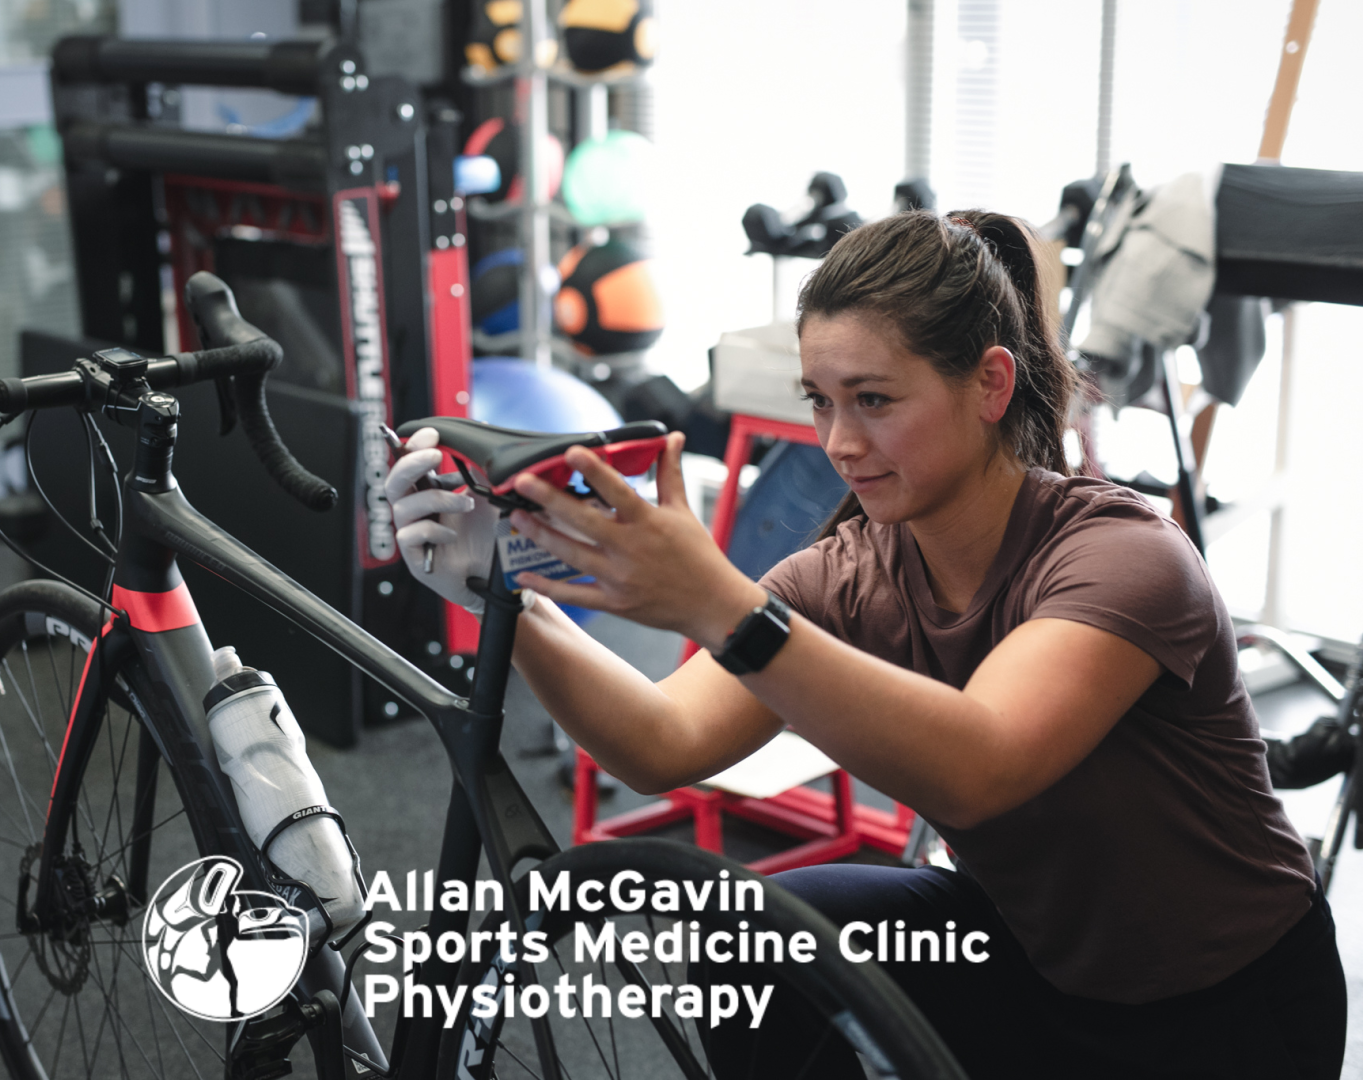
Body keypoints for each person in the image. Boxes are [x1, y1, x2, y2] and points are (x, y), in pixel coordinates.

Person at [385, 210, 1345, 1079]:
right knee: (754, 937)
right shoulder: (852, 571)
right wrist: (503, 593)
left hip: (1225, 1005)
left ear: (991, 385)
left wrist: (718, 605)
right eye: (820, 400)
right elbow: (659, 743)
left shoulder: (1124, 558)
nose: (839, 441)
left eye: (874, 400)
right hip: (1033, 959)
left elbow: (983, 762)